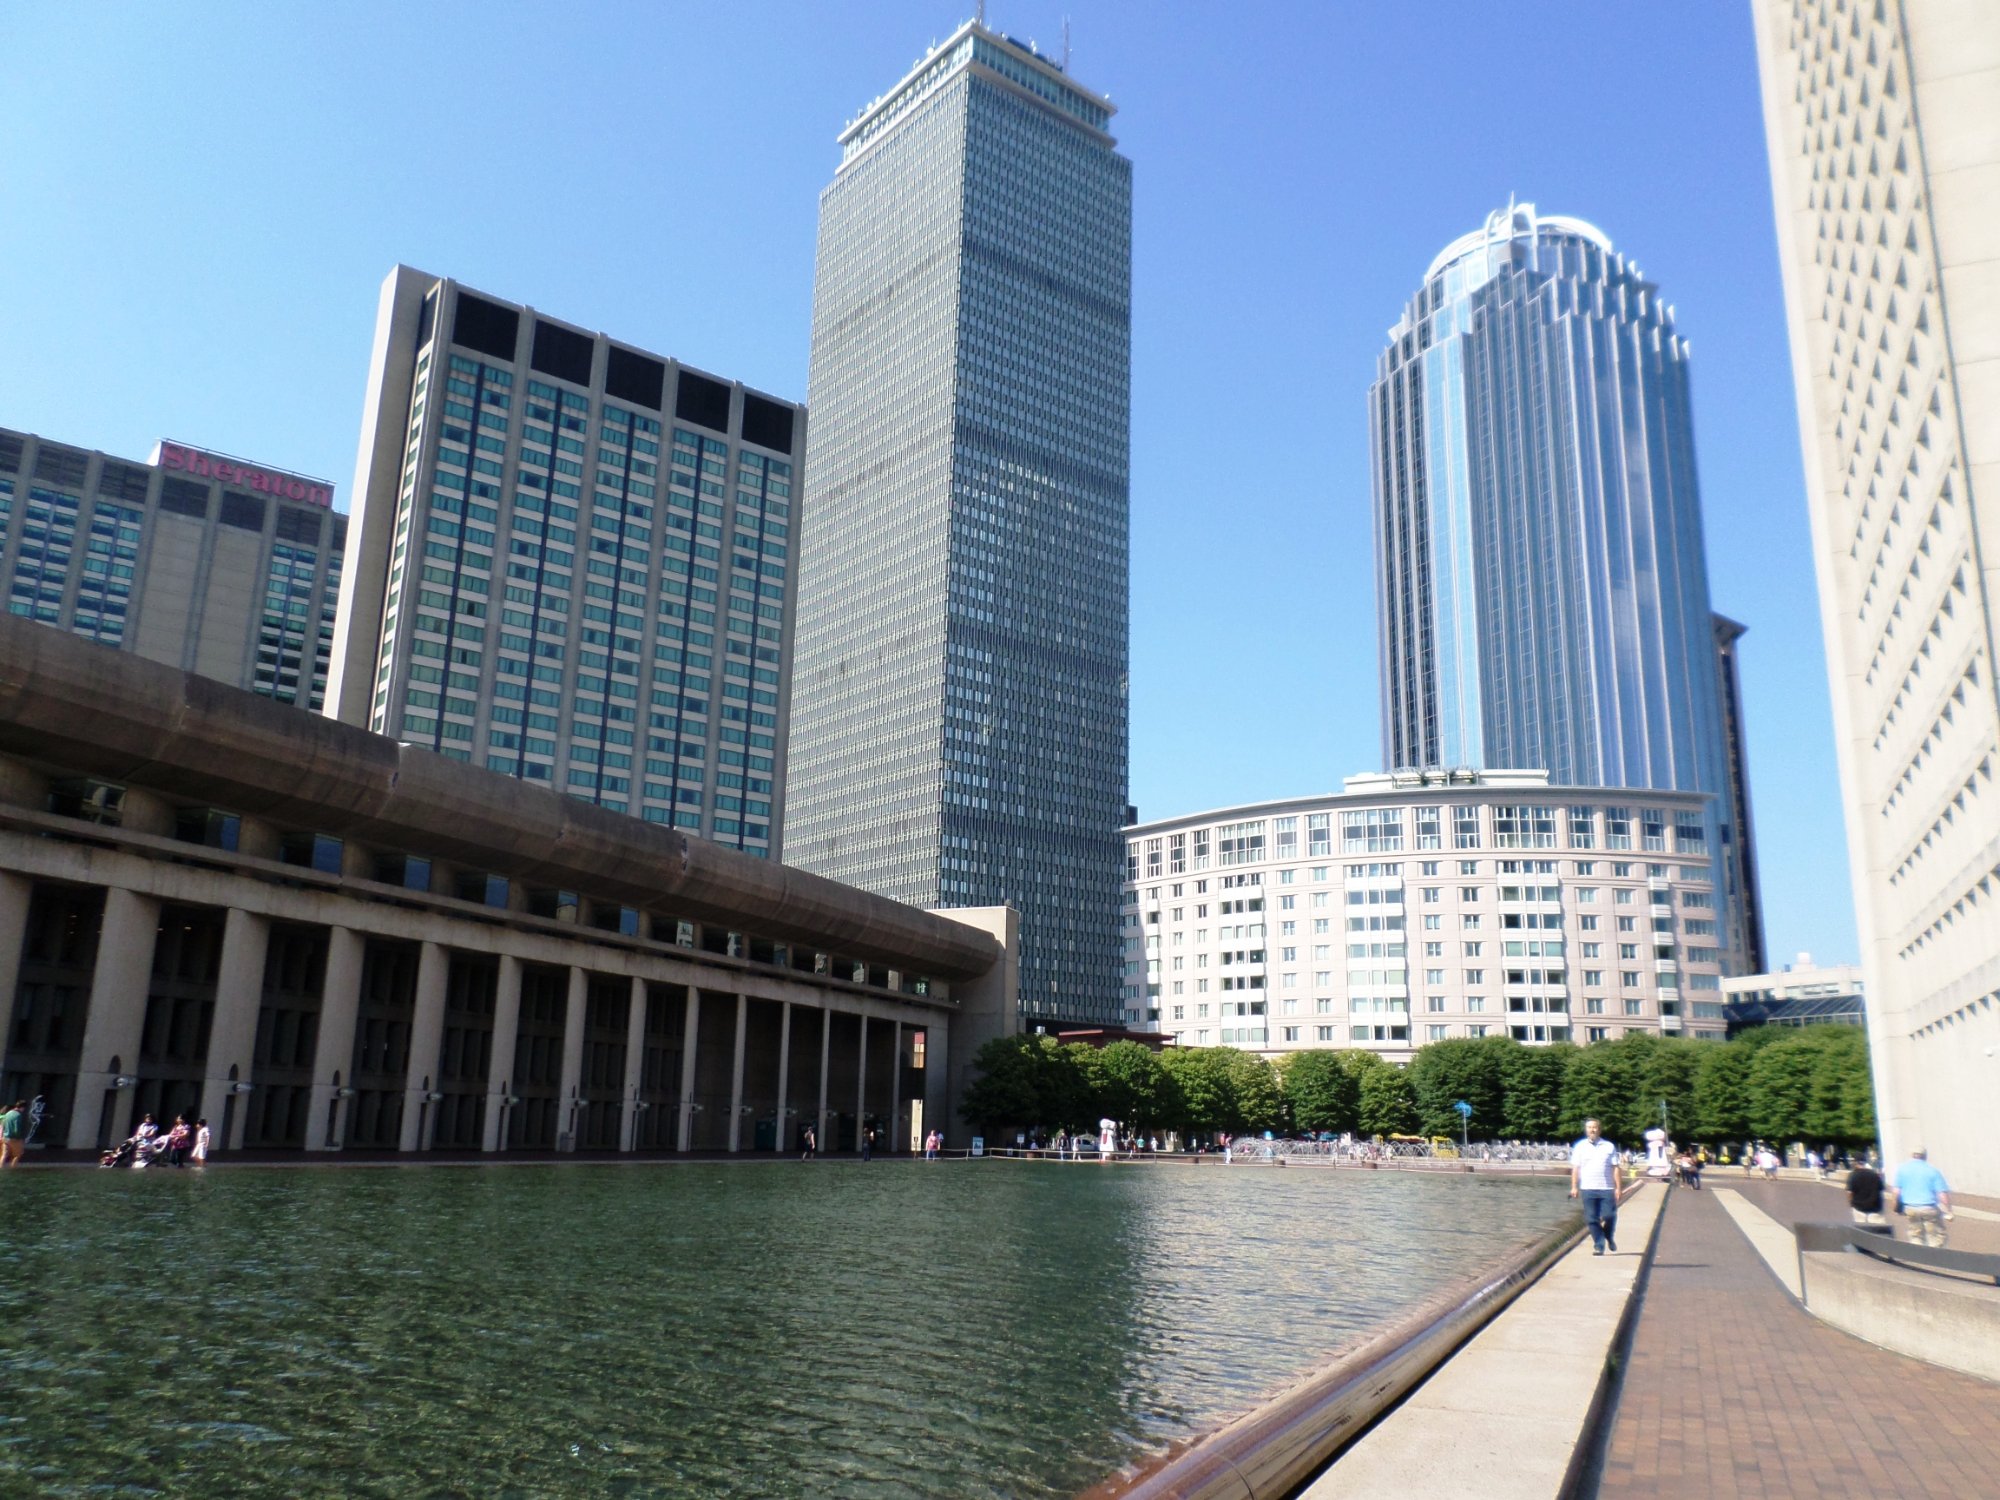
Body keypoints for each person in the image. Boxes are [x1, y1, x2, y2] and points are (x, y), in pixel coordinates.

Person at [1569, 1117, 1620, 1255]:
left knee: (1609, 1216)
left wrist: (1618, 1188)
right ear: (1586, 1130)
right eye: (1589, 1127)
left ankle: (1608, 1235)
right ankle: (1599, 1244)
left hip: (1607, 1188)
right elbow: (1576, 1169)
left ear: (1599, 1129)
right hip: (1587, 1188)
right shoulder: (1579, 1146)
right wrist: (1574, 1187)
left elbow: (1615, 1168)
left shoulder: (1609, 1146)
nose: (1592, 1129)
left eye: (1594, 1127)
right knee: (1591, 1218)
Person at [1891, 1147, 1954, 1247]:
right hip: (1928, 1207)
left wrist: (1895, 1206)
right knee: (1935, 1235)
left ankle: (1918, 1256)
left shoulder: (1902, 1170)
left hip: (1910, 1207)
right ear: (1925, 1156)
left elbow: (1896, 1191)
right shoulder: (1932, 1171)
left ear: (1912, 1155)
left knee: (1915, 1234)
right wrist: (1949, 1210)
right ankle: (1935, 1258)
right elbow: (1942, 1194)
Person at [1846, 1158, 1887, 1225]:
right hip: (1875, 1207)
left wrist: (1851, 1203)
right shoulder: (1874, 1174)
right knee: (1878, 1230)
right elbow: (1881, 1189)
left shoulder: (1852, 1175)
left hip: (1858, 1207)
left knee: (1862, 1231)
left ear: (1855, 1163)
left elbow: (1849, 1192)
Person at [0, 1100, 26, 1168]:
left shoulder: (8, 1113)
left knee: (4, 1155)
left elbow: (3, 1125)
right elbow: (17, 1129)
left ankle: (1, 1168)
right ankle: (12, 1169)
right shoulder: (18, 1115)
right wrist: (20, 1138)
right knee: (17, 1155)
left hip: (5, 1138)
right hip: (14, 1139)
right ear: (22, 1107)